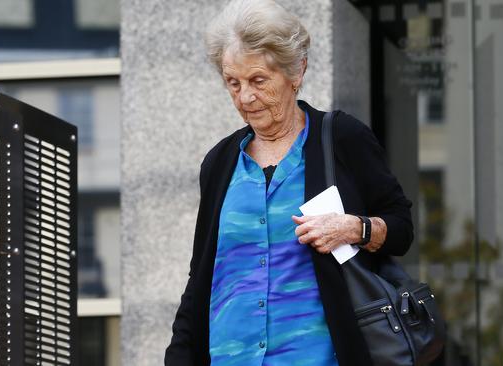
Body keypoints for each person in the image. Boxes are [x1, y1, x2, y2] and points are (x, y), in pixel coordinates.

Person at [164, 0, 413, 365]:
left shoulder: (342, 138)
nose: (245, 97)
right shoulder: (219, 163)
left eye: (258, 80)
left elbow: (401, 228)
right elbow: (200, 278)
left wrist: (354, 228)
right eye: (233, 83)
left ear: (296, 71)